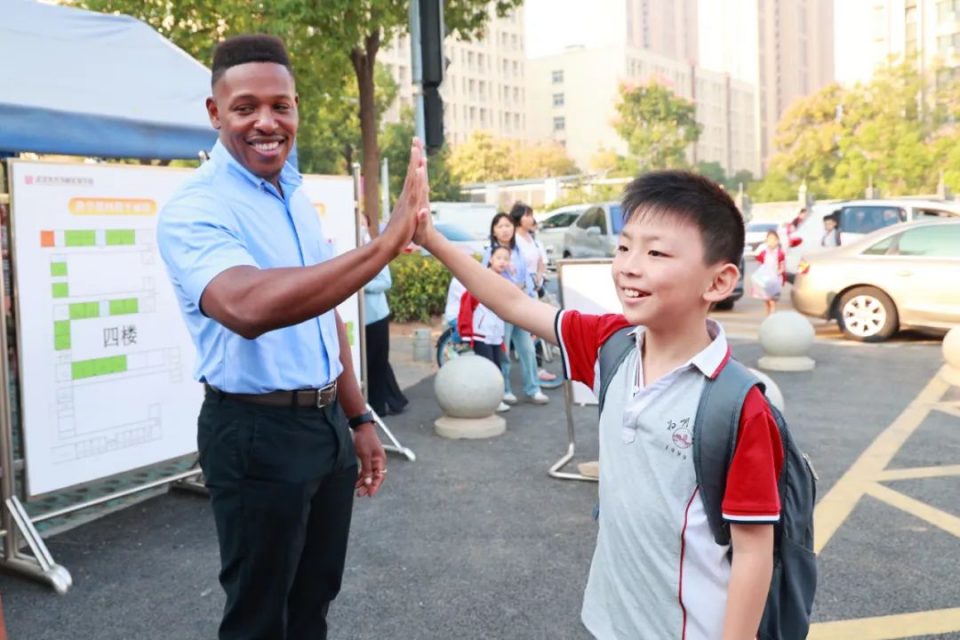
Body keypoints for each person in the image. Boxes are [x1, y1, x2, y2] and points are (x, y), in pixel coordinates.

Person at [416, 170, 783, 639]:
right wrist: (431, 238)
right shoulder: (612, 345)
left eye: (656, 253)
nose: (629, 266)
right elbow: (514, 303)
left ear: (719, 281)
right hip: (609, 622)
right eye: (624, 247)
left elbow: (753, 551)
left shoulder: (738, 406)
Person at [157, 34, 427, 640]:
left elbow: (325, 315)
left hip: (326, 426)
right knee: (260, 619)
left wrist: (357, 417)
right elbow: (246, 306)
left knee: (313, 603)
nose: (266, 122)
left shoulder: (294, 196)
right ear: (215, 113)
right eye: (245, 107)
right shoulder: (195, 207)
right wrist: (385, 244)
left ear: (296, 108)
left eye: (280, 106)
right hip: (255, 432)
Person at [483, 212, 549, 405]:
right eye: (500, 226)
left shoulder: (518, 250)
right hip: (501, 308)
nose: (505, 230)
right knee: (503, 351)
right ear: (494, 231)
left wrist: (530, 297)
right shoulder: (490, 252)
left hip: (521, 306)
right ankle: (504, 390)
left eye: (508, 225)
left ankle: (533, 388)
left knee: (528, 349)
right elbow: (484, 279)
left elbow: (526, 275)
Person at [361, 216, 408, 416]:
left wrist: (361, 284)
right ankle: (396, 400)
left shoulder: (376, 249)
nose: (359, 226)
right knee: (373, 362)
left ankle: (378, 407)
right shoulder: (347, 251)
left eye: (362, 222)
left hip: (376, 316)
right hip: (358, 318)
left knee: (377, 362)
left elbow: (385, 282)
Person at [458, 245, 512, 413]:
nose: (502, 262)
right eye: (499, 258)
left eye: (506, 259)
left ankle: (495, 399)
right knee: (487, 369)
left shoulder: (505, 281)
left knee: (496, 367)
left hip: (495, 334)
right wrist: (466, 333)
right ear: (490, 259)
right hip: (481, 333)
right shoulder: (481, 280)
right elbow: (466, 306)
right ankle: (488, 402)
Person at [754, 230, 786, 316]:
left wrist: (777, 274)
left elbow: (782, 267)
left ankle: (772, 315)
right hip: (766, 280)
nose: (771, 242)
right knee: (767, 300)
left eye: (774, 239)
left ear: (777, 241)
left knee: (772, 300)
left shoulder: (780, 254)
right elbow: (759, 266)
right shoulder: (763, 253)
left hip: (775, 280)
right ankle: (768, 315)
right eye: (769, 239)